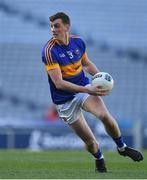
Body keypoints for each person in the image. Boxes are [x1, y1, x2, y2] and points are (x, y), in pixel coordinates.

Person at [41, 12, 143, 173]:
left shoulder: (78, 42)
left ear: (67, 26)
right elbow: (59, 84)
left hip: (83, 89)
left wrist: (99, 77)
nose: (53, 29)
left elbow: (86, 64)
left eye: (57, 26)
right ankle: (99, 158)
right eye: (52, 26)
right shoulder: (49, 51)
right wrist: (87, 89)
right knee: (91, 143)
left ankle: (122, 148)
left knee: (105, 116)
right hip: (64, 101)